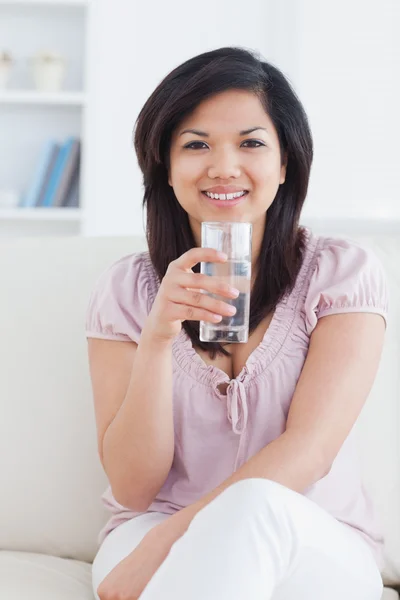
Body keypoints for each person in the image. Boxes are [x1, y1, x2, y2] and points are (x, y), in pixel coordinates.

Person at [85, 46, 388, 600]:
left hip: (309, 534)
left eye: (251, 143)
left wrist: (172, 541)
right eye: (196, 145)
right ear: (165, 168)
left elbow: (311, 450)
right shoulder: (126, 290)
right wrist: (157, 338)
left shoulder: (342, 274)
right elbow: (133, 488)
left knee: (256, 505)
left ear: (284, 162)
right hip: (152, 524)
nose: (224, 167)